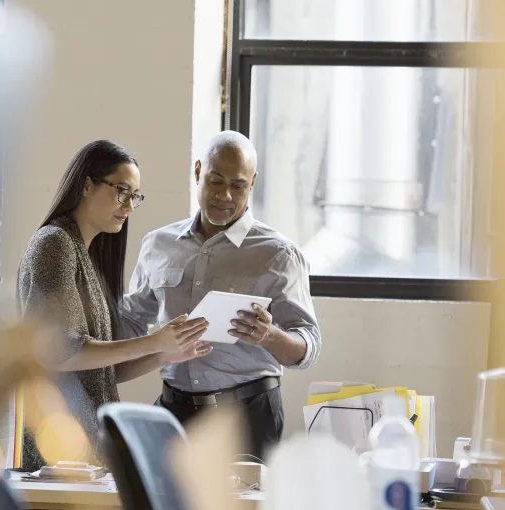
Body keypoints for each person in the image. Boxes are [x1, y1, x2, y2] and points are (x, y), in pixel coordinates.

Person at [121, 131, 321, 460]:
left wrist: (269, 336)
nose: (224, 195)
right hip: (173, 412)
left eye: (238, 185)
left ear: (252, 183)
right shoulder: (159, 244)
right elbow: (131, 320)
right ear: (198, 171)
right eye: (216, 181)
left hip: (247, 417)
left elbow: (308, 346)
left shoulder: (279, 253)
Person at [17, 140, 211, 469]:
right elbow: (59, 353)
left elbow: (103, 371)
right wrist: (153, 340)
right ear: (86, 185)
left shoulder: (88, 255)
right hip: (56, 452)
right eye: (122, 190)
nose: (130, 205)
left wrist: (163, 354)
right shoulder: (55, 244)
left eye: (135, 196)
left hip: (88, 451)